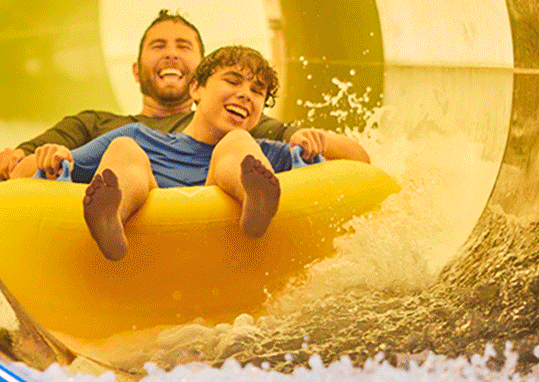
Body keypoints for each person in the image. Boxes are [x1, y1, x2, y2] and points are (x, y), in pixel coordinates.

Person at [32, 46, 370, 261]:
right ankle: (111, 217)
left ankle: (255, 202)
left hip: (221, 243)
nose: (245, 95)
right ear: (197, 88)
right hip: (143, 234)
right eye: (233, 81)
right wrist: (52, 155)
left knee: (236, 145)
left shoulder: (262, 152)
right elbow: (25, 175)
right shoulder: (140, 136)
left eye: (257, 91)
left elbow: (361, 163)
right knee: (123, 150)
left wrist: (318, 140)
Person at [0, 9, 311, 180]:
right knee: (124, 151)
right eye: (158, 47)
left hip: (207, 222)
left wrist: (309, 142)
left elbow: (305, 144)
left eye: (183, 47)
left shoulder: (229, 122)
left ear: (201, 76)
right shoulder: (94, 124)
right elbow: (25, 161)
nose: (171, 54)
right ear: (135, 70)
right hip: (126, 229)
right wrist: (16, 160)